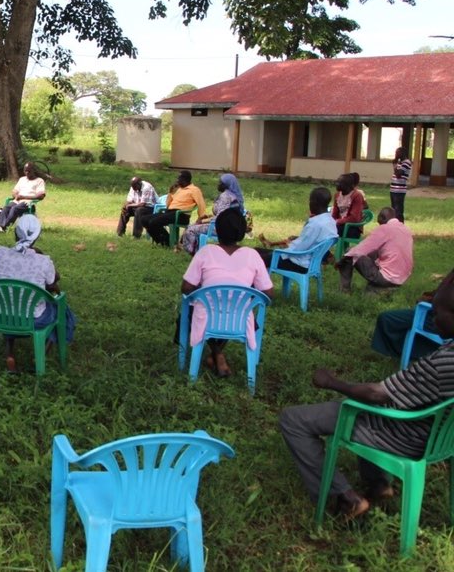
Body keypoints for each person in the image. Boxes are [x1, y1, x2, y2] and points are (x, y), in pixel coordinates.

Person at [278, 268, 454, 520]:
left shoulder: (444, 362)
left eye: (437, 313)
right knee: (359, 402)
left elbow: (376, 394)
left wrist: (331, 382)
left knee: (294, 420)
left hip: (409, 436)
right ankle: (379, 484)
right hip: (442, 436)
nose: (433, 320)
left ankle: (345, 499)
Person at [181, 209, 274, 377]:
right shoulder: (252, 255)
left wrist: (204, 290)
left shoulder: (205, 252)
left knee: (193, 310)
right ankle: (218, 355)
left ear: (217, 230)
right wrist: (247, 294)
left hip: (207, 316)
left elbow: (186, 288)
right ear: (242, 232)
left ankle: (216, 353)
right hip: (240, 318)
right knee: (233, 310)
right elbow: (268, 293)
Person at [0, 216, 77, 372]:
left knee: (10, 303)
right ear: (36, 237)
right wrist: (40, 254)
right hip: (33, 319)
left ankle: (9, 354)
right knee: (61, 310)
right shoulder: (42, 261)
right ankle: (41, 354)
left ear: (15, 234)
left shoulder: (0, 253)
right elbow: (54, 280)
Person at [256, 187, 338, 271]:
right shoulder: (331, 221)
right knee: (256, 251)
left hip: (298, 263)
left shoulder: (315, 224)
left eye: (310, 201)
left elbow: (298, 248)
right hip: (310, 261)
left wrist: (282, 251)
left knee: (254, 257)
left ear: (314, 202)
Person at [336, 206, 413, 294]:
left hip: (387, 278)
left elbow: (362, 248)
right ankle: (380, 287)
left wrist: (343, 258)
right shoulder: (405, 229)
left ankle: (344, 290)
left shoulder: (384, 228)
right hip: (402, 279)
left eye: (379, 221)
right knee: (371, 252)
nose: (379, 224)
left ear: (383, 218)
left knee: (350, 252)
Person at [179, 173, 244, 255]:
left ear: (226, 185)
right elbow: (226, 214)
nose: (218, 184)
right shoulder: (234, 196)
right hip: (233, 228)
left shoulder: (225, 197)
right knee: (192, 226)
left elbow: (221, 218)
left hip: (221, 228)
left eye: (220, 182)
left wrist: (203, 221)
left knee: (190, 229)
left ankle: (196, 254)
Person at [144, 170, 206, 246]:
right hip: (170, 212)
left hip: (181, 215)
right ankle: (164, 240)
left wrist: (201, 217)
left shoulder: (195, 190)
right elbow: (168, 204)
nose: (177, 180)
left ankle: (167, 242)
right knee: (144, 219)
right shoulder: (179, 189)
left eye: (178, 178)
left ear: (185, 179)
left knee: (153, 222)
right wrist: (170, 192)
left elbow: (201, 203)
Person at [0, 162, 46, 233]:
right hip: (17, 200)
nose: (27, 173)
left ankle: (4, 227)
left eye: (29, 171)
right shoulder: (22, 179)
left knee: (14, 209)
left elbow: (41, 196)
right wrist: (16, 195)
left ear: (34, 170)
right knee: (6, 208)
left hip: (28, 202)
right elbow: (14, 191)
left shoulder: (39, 181)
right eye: (25, 171)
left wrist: (24, 197)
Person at [331, 173, 367, 238]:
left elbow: (354, 218)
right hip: (340, 224)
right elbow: (334, 214)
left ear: (347, 185)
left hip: (353, 227)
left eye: (339, 183)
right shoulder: (337, 195)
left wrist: (337, 221)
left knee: (329, 231)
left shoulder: (357, 196)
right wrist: (331, 221)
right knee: (324, 228)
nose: (336, 184)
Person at [390, 147, 412, 222]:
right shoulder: (400, 163)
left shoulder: (406, 163)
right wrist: (396, 163)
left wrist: (394, 164)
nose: (396, 154)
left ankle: (400, 225)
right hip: (393, 189)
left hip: (399, 190)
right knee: (393, 210)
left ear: (402, 153)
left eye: (397, 153)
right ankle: (394, 225)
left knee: (398, 210)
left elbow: (398, 174)